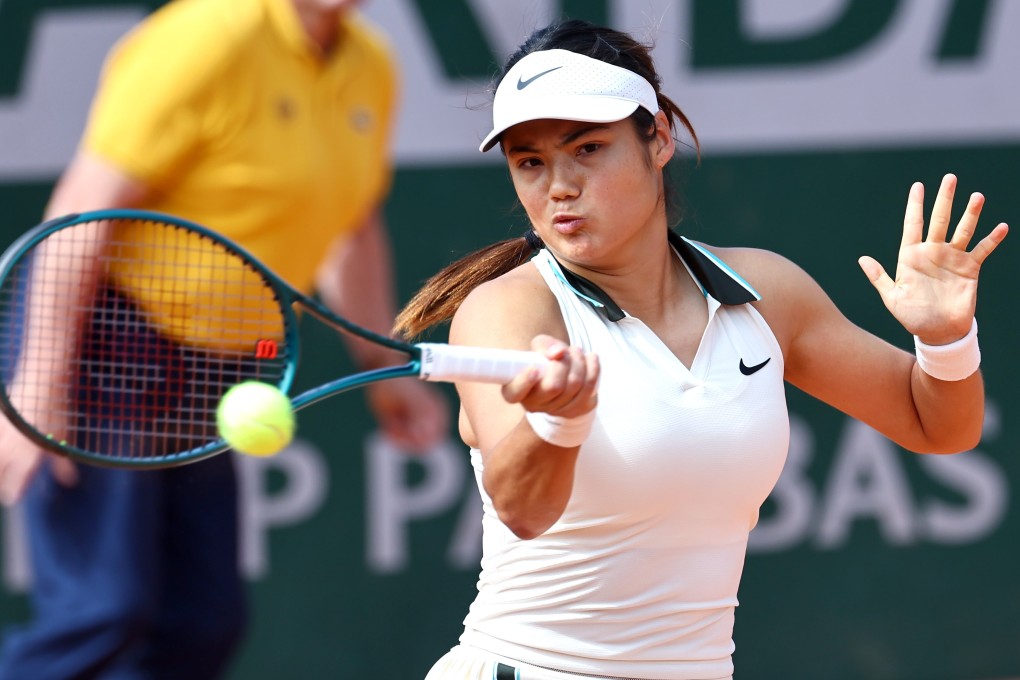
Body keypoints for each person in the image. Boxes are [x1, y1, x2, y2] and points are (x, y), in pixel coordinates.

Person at [391, 18, 1010, 680]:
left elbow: (938, 425)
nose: (559, 187)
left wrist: (945, 341)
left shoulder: (766, 293)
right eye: (530, 162)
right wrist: (556, 420)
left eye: (588, 149)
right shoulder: (510, 310)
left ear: (656, 138)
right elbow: (522, 510)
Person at [0, 0, 448, 677]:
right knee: (101, 611)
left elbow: (351, 230)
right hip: (107, 347)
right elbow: (80, 214)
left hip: (217, 369)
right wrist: (39, 384)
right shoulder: (204, 37)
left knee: (203, 620)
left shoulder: (372, 65)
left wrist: (380, 365)